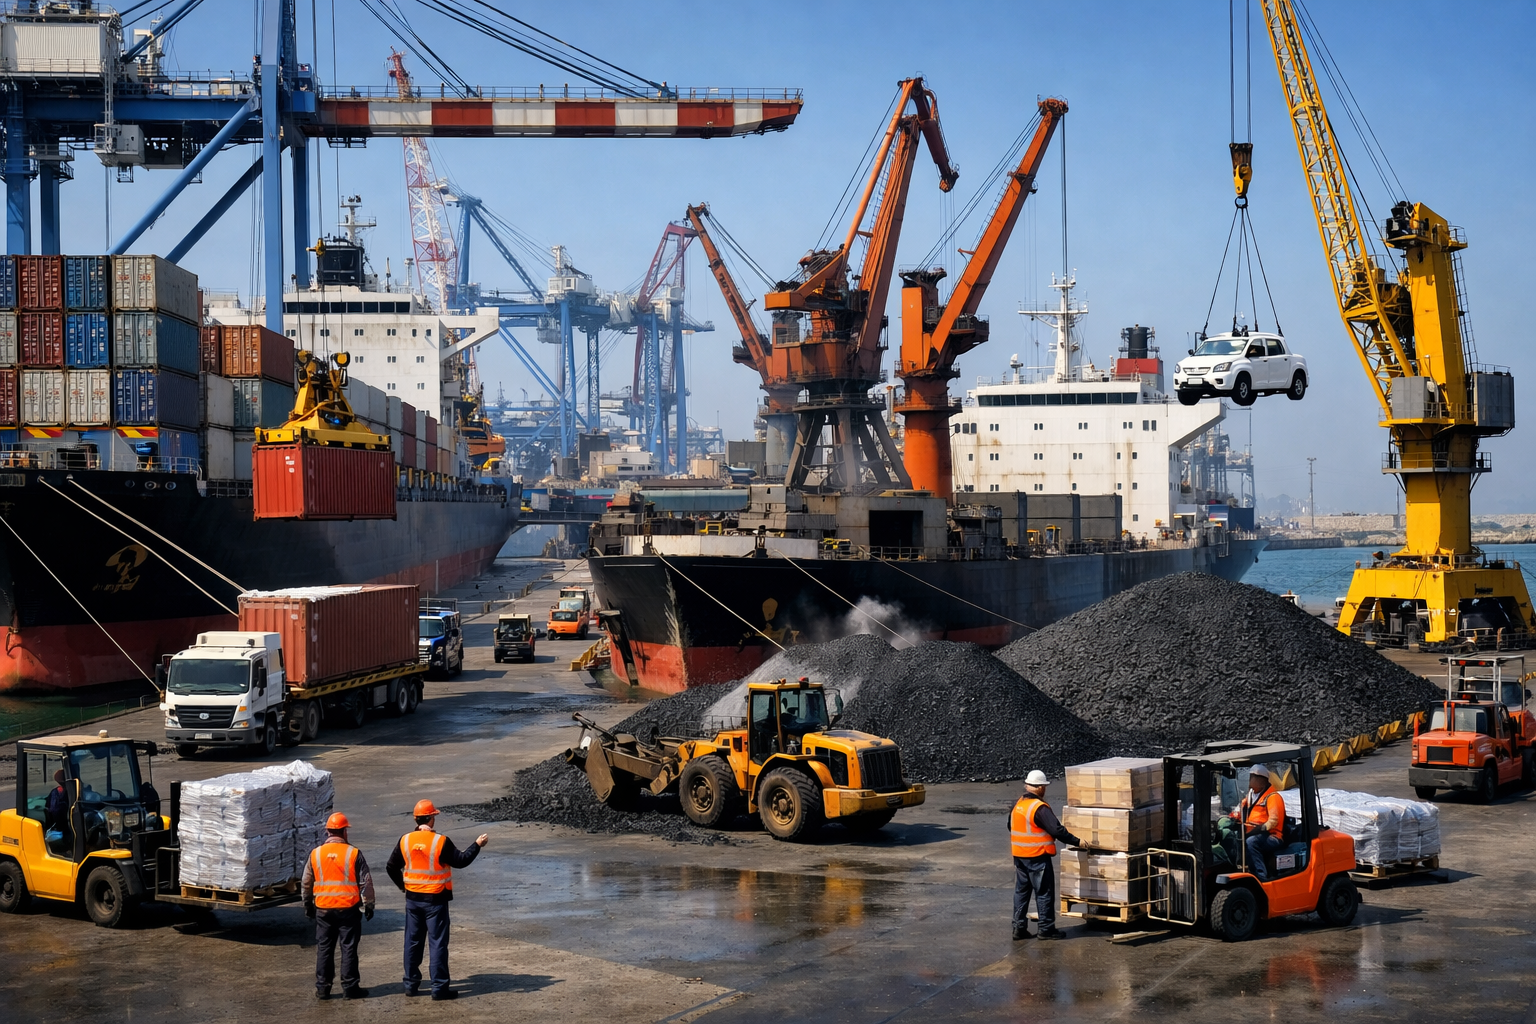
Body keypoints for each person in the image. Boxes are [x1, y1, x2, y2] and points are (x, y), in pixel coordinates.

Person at [386, 799, 489, 1001]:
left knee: (412, 942)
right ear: (431, 818)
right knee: (437, 944)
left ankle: (411, 985)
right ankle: (439, 988)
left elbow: (391, 866)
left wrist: (403, 886)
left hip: (413, 900)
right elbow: (461, 861)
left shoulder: (404, 840)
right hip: (435, 900)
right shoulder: (440, 841)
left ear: (416, 819)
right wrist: (477, 845)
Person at [302, 812, 375, 1000]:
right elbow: (365, 882)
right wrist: (369, 905)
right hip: (347, 910)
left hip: (324, 910)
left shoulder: (315, 854)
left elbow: (306, 883)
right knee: (348, 947)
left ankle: (323, 988)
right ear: (344, 831)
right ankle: (350, 988)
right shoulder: (354, 853)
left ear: (327, 832)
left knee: (324, 948)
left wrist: (308, 906)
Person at [1010, 769, 1083, 941]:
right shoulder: (1039, 808)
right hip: (1037, 857)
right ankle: (1046, 929)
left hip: (1020, 857)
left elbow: (1010, 826)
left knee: (1021, 892)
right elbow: (1056, 829)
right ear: (1041, 787)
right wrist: (1077, 842)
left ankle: (1018, 928)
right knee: (1043, 893)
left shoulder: (1018, 804)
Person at [1231, 764, 1286, 882]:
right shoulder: (1251, 795)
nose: (1249, 780)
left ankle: (1260, 876)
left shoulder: (1273, 797)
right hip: (1254, 832)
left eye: (1252, 777)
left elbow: (1273, 821)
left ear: (1261, 780)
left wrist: (1256, 830)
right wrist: (1232, 818)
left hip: (1272, 836)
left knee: (1251, 841)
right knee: (1233, 836)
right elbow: (1240, 810)